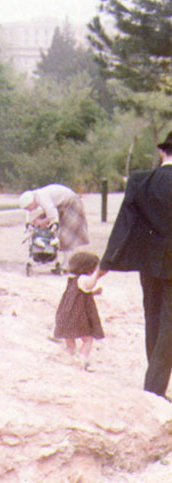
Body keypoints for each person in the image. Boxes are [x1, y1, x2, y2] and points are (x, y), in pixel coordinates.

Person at [87, 131, 172, 398]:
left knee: (153, 318)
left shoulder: (139, 182)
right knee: (169, 325)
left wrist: (104, 265)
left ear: (162, 152)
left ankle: (154, 387)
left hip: (149, 263)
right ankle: (154, 390)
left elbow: (123, 226)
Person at [18, 184, 89, 270]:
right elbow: (50, 212)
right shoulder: (39, 196)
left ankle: (66, 264)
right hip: (62, 205)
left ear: (30, 202)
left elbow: (52, 216)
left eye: (28, 207)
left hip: (71, 203)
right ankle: (66, 262)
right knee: (49, 224)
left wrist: (43, 221)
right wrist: (38, 221)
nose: (29, 210)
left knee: (66, 234)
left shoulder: (41, 197)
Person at [53, 251, 104, 371]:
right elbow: (89, 284)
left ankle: (67, 358)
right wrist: (97, 274)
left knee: (70, 342)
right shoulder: (83, 278)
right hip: (78, 316)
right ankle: (83, 361)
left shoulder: (72, 278)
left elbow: (80, 293)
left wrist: (93, 293)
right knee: (88, 340)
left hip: (67, 315)